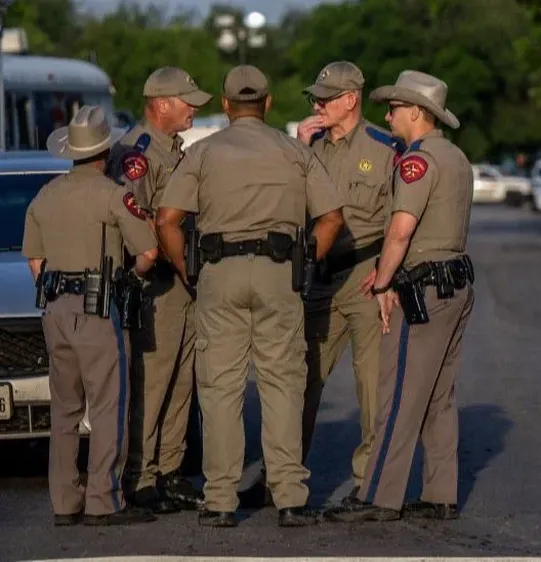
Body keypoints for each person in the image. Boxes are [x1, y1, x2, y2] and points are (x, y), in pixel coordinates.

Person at [155, 65, 348, 528]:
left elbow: (166, 219)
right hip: (279, 273)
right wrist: (306, 264)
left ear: (224, 106)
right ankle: (289, 497)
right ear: (267, 104)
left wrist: (189, 271)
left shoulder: (203, 153)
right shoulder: (292, 152)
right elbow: (333, 218)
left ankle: (220, 499)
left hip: (218, 275)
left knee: (220, 388)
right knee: (283, 384)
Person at [241, 61, 403, 509]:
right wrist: (298, 150)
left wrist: (392, 276)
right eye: (315, 98)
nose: (317, 105)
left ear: (351, 99)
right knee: (296, 380)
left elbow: (403, 217)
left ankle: (368, 484)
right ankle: (279, 479)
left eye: (325, 98)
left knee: (371, 387)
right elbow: (286, 206)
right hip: (319, 279)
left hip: (367, 275)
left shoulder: (386, 147)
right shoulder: (306, 150)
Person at [324, 70, 476, 523]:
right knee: (438, 395)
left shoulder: (418, 160)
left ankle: (377, 496)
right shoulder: (457, 157)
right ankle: (439, 493)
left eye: (393, 107)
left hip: (424, 287)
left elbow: (400, 230)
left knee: (399, 395)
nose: (386, 114)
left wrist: (385, 281)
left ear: (416, 112)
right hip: (456, 281)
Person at [23, 106, 160, 526]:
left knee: (64, 410)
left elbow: (36, 260)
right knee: (106, 405)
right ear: (105, 151)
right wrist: (125, 280)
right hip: (97, 307)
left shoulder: (46, 195)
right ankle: (104, 499)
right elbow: (148, 254)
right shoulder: (114, 195)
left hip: (55, 308)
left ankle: (64, 502)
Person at [109, 66, 212, 514]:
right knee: (151, 381)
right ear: (161, 103)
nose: (194, 108)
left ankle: (170, 470)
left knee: (182, 379)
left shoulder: (175, 151)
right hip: (157, 284)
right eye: (187, 101)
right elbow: (137, 219)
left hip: (185, 280)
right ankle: (140, 474)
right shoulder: (138, 153)